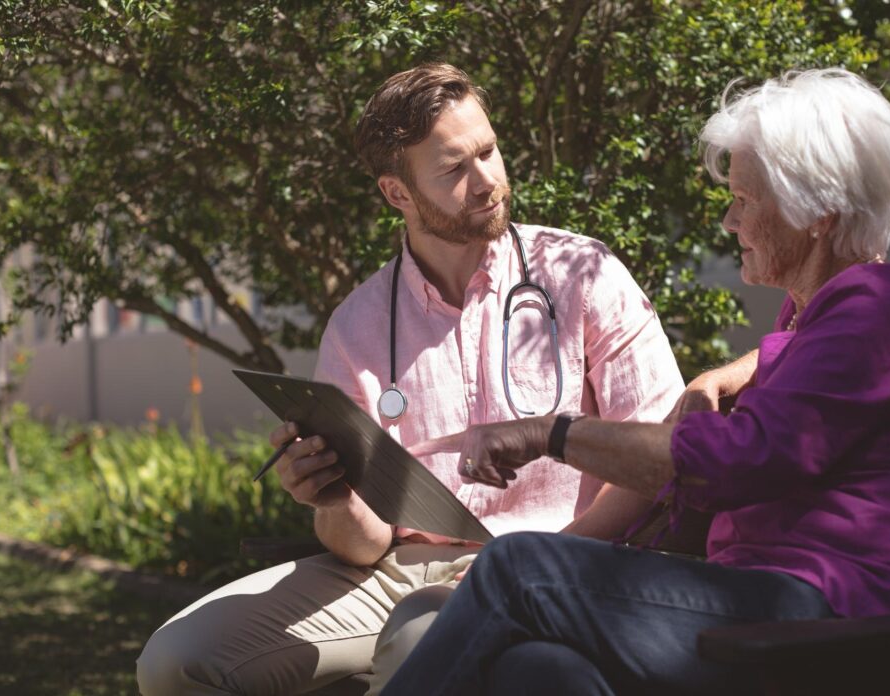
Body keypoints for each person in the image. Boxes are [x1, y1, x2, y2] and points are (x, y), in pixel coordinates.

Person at [379, 67, 890, 696]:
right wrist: (737, 371)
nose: (728, 221)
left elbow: (735, 462)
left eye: (745, 199)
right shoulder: (827, 313)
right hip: (779, 605)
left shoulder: (878, 311)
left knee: (519, 570)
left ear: (818, 212)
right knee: (543, 673)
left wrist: (551, 434)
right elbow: (817, 389)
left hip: (836, 622)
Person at [136, 63, 684, 695]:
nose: (488, 182)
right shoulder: (357, 325)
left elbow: (657, 459)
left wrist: (520, 565)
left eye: (489, 152)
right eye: (454, 169)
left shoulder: (582, 276)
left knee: (420, 646)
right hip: (401, 573)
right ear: (397, 193)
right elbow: (364, 544)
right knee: (176, 661)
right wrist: (332, 497)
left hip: (564, 560)